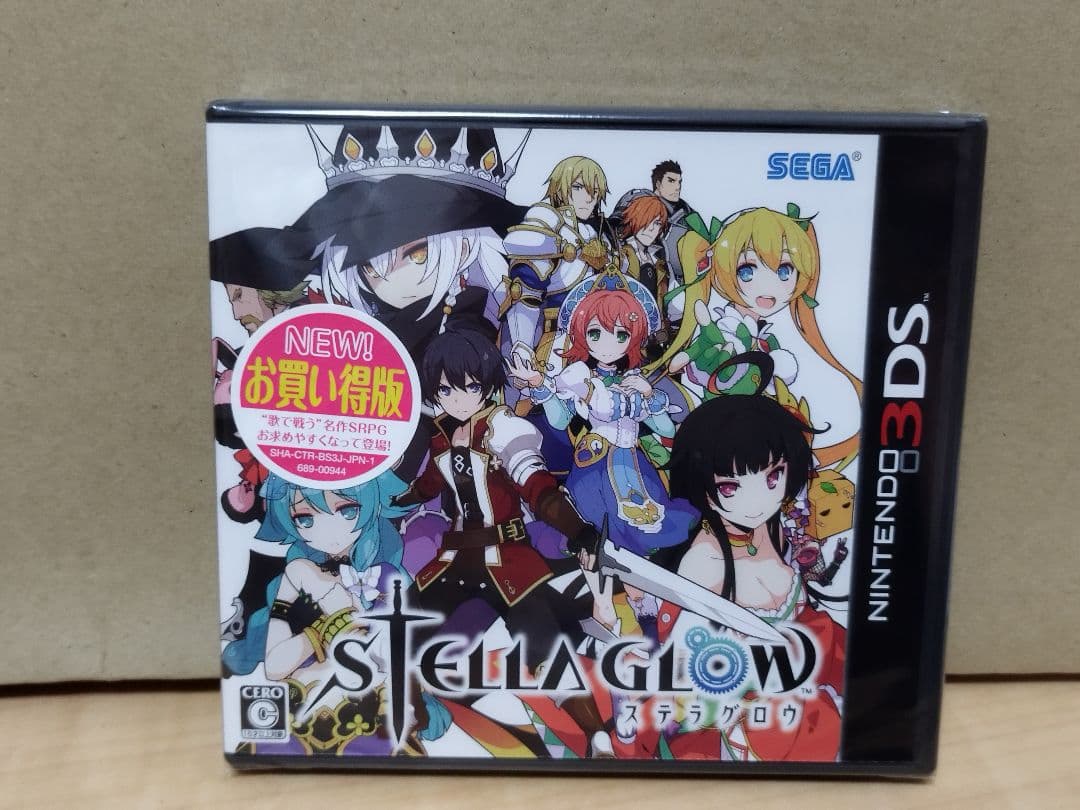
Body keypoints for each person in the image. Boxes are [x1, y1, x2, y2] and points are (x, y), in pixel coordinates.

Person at [393, 323, 615, 756]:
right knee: (407, 628)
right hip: (455, 560)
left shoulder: (503, 428)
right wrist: (400, 499)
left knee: (543, 646)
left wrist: (578, 529)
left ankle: (597, 735)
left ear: (487, 384)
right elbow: (430, 484)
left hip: (506, 558)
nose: (458, 398)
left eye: (469, 386)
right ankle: (412, 721)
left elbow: (538, 489)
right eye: (446, 389)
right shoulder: (442, 436)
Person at [662, 394, 846, 762]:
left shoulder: (772, 528)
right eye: (730, 487)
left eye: (773, 476)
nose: (758, 501)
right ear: (701, 485)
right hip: (751, 722)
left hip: (812, 684)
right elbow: (683, 674)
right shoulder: (705, 562)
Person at [507, 268, 697, 557]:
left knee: (651, 526)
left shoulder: (635, 380)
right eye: (596, 333)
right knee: (600, 526)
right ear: (582, 335)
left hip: (633, 464)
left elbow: (666, 429)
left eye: (621, 334)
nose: (608, 344)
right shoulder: (579, 377)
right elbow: (559, 420)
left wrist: (648, 394)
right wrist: (539, 384)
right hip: (594, 464)